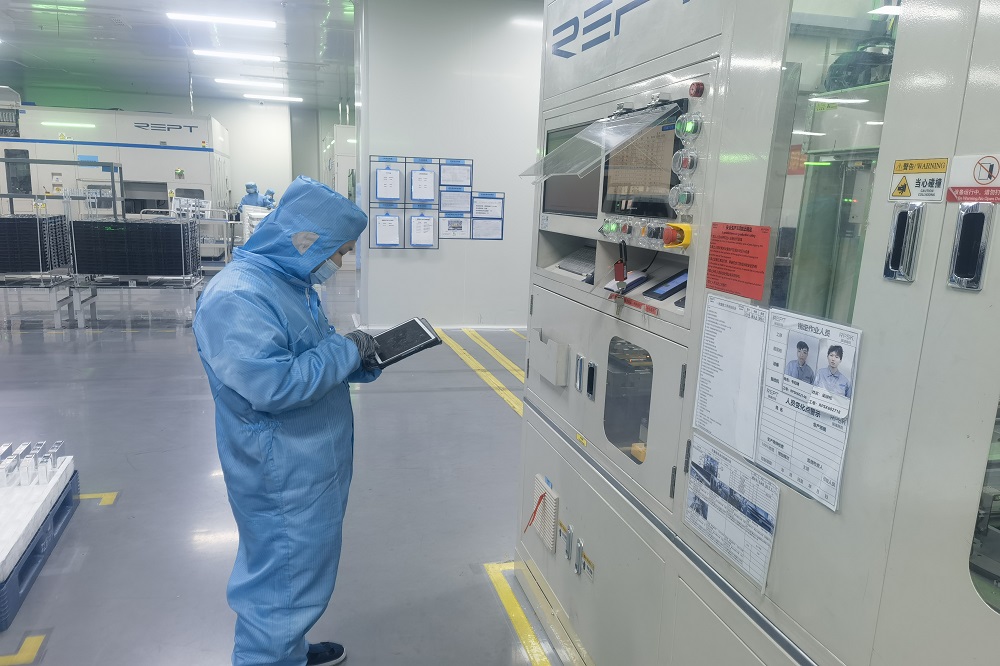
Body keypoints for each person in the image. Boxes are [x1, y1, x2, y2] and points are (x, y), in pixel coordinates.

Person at [193, 175, 381, 666]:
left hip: (307, 459)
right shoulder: (238, 296)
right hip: (279, 470)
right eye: (339, 251)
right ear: (306, 239)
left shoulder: (289, 284)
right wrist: (346, 351)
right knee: (283, 578)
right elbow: (273, 386)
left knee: (296, 574)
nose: (340, 263)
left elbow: (309, 357)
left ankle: (286, 649)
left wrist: (357, 359)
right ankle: (268, 656)